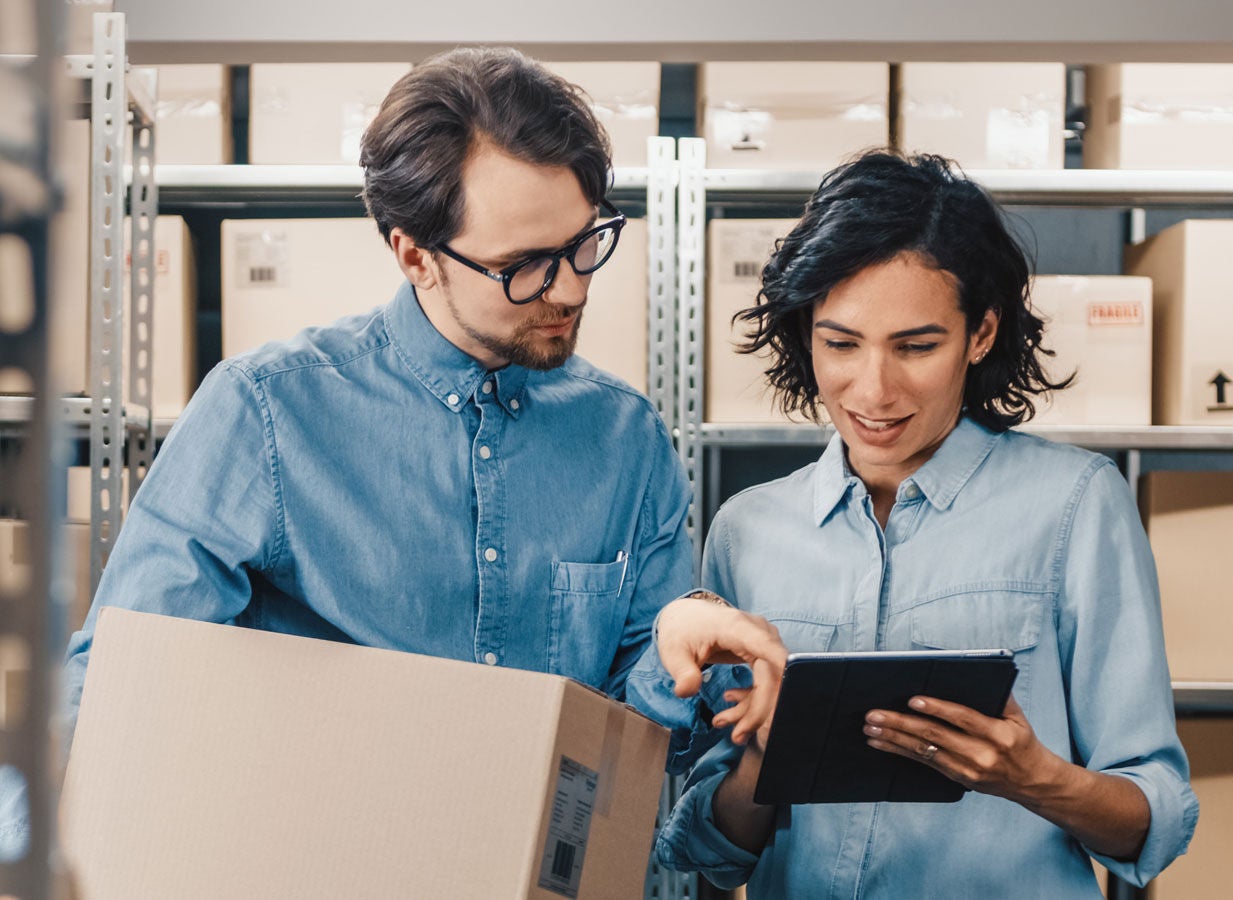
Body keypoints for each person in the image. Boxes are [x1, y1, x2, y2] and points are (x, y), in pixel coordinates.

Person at [0, 47, 786, 855]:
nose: (573, 288)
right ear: (414, 255)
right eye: (525, 267)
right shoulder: (266, 414)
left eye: (585, 243)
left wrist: (669, 648)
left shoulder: (627, 441)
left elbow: (633, 733)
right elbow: (117, 691)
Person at [656, 151, 1198, 897]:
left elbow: (1155, 821)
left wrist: (1034, 779)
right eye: (840, 343)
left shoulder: (1075, 505)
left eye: (917, 346)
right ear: (804, 330)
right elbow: (715, 854)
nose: (873, 389)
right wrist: (764, 758)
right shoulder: (747, 530)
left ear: (979, 335)